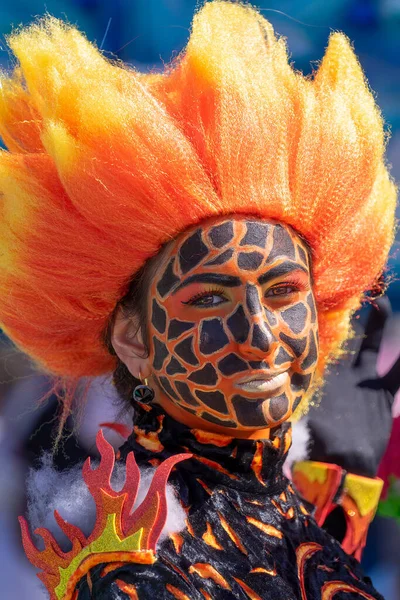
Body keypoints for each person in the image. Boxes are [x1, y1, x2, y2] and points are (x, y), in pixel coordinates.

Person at [0, 1, 397, 598]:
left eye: (286, 291)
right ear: (133, 337)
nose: (262, 335)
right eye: (210, 299)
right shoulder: (143, 571)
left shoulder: (305, 516)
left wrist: (347, 499)